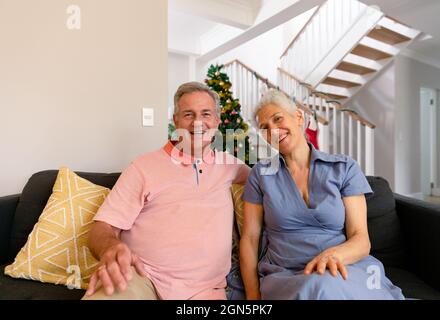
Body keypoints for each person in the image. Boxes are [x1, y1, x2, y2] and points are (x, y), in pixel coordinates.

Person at [83, 82, 250, 300]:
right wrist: (110, 248)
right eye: (189, 114)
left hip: (206, 292)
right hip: (142, 280)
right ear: (176, 121)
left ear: (217, 121)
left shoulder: (231, 166)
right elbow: (102, 228)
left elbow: (276, 180)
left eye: (206, 114)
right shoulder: (143, 167)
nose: (198, 122)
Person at [239, 89, 404, 300]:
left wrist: (333, 255)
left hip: (342, 266)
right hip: (286, 274)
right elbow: (250, 239)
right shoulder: (260, 175)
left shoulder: (344, 168)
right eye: (265, 128)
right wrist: (252, 298)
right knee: (321, 287)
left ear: (298, 117)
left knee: (327, 284)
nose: (273, 130)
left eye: (278, 119)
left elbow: (361, 239)